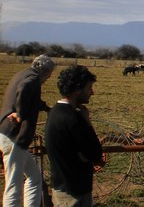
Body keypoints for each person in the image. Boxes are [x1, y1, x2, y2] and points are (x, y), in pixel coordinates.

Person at [0, 54, 55, 207]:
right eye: (49, 74)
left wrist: (46, 108)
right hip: (15, 137)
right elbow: (24, 90)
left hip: (11, 135)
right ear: (45, 70)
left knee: (34, 177)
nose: (48, 78)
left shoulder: (23, 73)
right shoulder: (32, 79)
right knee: (13, 184)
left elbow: (32, 98)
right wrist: (20, 114)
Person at [44, 65, 103, 205]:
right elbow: (95, 153)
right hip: (74, 191)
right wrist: (87, 122)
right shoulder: (73, 118)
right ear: (77, 89)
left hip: (61, 185)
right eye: (89, 87)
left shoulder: (55, 112)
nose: (92, 92)